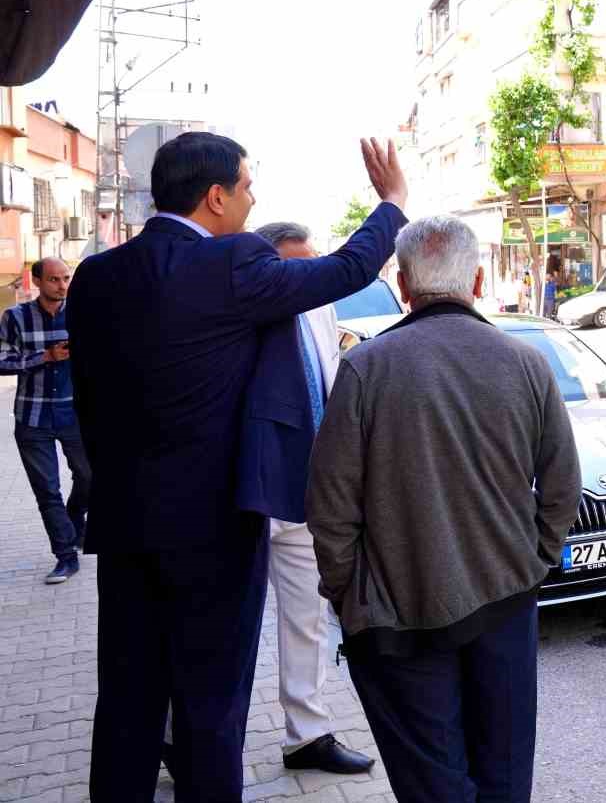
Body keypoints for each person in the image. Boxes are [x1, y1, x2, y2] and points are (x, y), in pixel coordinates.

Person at [67, 133, 408, 802]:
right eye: (248, 186)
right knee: (210, 707)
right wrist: (391, 203)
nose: (254, 200)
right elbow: (346, 269)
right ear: (215, 196)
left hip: (127, 525)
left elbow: (89, 400)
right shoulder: (231, 264)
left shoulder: (97, 276)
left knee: (129, 701)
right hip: (213, 533)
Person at [307, 214, 582, 803]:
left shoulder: (365, 368)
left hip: (395, 619)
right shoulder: (527, 363)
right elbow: (562, 487)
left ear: (403, 285)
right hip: (504, 604)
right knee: (504, 777)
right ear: (479, 281)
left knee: (434, 786)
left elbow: (329, 509)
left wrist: (353, 600)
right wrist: (534, 561)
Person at [242, 222, 376, 776]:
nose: (306, 276)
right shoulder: (239, 311)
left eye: (311, 264)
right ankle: (187, 735)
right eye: (294, 267)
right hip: (244, 497)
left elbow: (328, 384)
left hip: (306, 493)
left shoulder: (320, 309)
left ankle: (308, 736)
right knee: (223, 626)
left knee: (307, 621)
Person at [0, 257, 91, 584]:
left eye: (66, 278)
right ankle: (65, 556)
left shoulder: (82, 313)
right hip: (32, 417)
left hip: (76, 415)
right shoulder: (15, 317)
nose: (62, 285)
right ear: (36, 281)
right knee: (46, 490)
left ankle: (74, 517)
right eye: (54, 279)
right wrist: (45, 356)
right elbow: (1, 360)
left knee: (91, 479)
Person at [543, 252, 562, 318]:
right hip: (545, 298)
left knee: (548, 314)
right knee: (544, 314)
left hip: (550, 298)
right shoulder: (544, 283)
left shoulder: (552, 282)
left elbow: (555, 289)